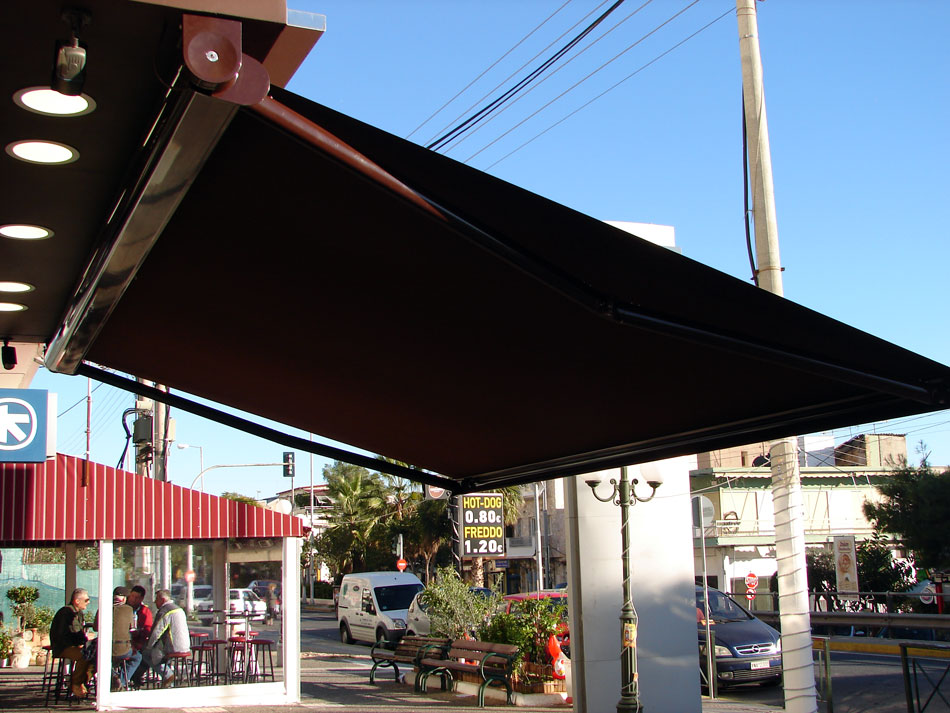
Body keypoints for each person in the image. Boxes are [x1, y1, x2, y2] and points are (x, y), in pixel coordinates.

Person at [50, 588, 95, 699]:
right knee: (86, 655)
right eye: (86, 600)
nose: (88, 602)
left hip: (71, 645)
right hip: (63, 647)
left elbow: (78, 634)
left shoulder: (78, 613)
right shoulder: (67, 613)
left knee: (94, 656)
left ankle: (80, 682)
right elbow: (73, 633)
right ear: (77, 601)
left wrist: (83, 642)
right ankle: (76, 683)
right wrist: (83, 642)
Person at [142, 589, 190, 688]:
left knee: (146, 654)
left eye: (157, 599)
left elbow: (157, 631)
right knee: (158, 654)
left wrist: (148, 646)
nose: (155, 602)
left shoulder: (165, 610)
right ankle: (168, 682)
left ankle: (168, 675)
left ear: (163, 600)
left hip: (172, 646)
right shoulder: (178, 609)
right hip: (185, 646)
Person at [127, 585, 153, 689]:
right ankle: (126, 679)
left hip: (139, 642)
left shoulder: (145, 611)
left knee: (148, 656)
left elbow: (148, 628)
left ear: (141, 599)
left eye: (137, 597)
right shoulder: (123, 609)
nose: (133, 599)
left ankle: (135, 677)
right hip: (124, 641)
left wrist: (140, 633)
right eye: (132, 596)